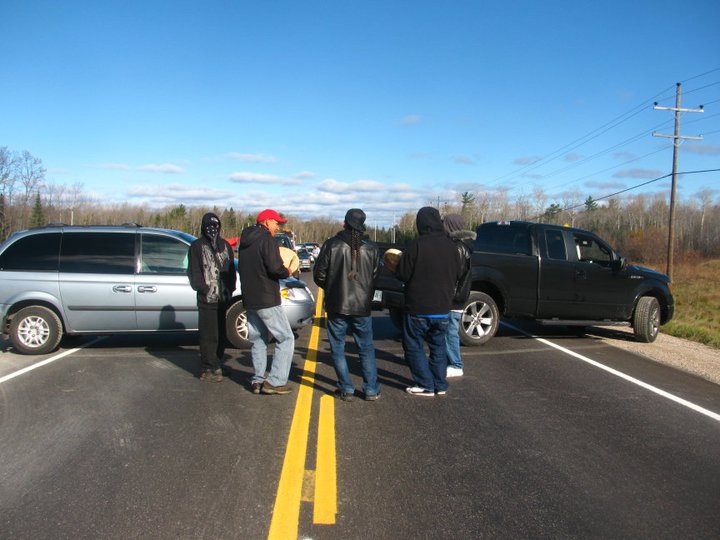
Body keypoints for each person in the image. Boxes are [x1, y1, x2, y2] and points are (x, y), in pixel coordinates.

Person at [314, 209, 381, 402]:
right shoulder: (372, 247)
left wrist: (332, 288)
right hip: (362, 307)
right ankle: (370, 389)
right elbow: (375, 277)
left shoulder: (332, 244)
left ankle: (346, 387)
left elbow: (319, 275)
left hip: (337, 306)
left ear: (345, 223)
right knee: (366, 348)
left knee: (338, 348)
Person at [396, 207, 463, 397]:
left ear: (421, 223)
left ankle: (425, 384)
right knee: (438, 346)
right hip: (443, 308)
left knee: (413, 346)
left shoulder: (416, 245)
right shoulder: (452, 247)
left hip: (418, 308)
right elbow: (458, 273)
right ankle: (440, 384)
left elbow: (402, 274)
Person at [237, 208, 295, 395]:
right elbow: (274, 268)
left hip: (250, 297)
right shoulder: (267, 239)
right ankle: (276, 381)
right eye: (276, 222)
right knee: (286, 337)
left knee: (258, 339)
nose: (278, 226)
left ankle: (258, 380)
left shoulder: (245, 241)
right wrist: (287, 271)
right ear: (266, 222)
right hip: (266, 297)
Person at [187, 212, 237, 382]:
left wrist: (230, 288)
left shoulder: (225, 245)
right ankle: (207, 367)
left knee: (221, 334)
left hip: (222, 299)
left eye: (215, 225)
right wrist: (203, 288)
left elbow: (231, 270)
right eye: (209, 225)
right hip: (206, 299)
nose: (212, 229)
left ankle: (217, 363)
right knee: (209, 335)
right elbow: (194, 272)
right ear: (203, 226)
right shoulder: (196, 246)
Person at [443, 214, 475, 378]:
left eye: (445, 224)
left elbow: (454, 275)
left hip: (453, 298)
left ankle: (456, 364)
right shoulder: (463, 246)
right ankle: (449, 361)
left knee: (450, 332)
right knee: (447, 331)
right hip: (455, 296)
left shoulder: (458, 248)